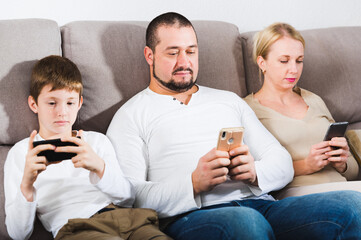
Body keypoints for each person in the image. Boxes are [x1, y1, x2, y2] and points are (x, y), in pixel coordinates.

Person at [106, 12, 361, 240]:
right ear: (149, 55)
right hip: (191, 215)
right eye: (173, 53)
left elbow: (281, 162)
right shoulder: (130, 115)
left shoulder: (227, 100)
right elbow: (130, 195)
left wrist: (254, 172)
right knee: (246, 223)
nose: (184, 62)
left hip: (262, 205)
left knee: (352, 206)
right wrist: (193, 183)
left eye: (191, 51)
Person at [4, 55, 170, 240]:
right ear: (34, 104)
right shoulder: (20, 153)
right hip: (76, 227)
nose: (62, 112)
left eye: (70, 103)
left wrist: (99, 168)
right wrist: (27, 185)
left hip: (125, 220)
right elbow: (18, 234)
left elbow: (128, 199)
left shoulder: (97, 141)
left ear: (79, 104)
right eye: (52, 103)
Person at [244, 22, 361, 199]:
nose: (294, 69)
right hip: (299, 197)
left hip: (346, 189)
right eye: (284, 61)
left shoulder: (314, 100)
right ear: (262, 62)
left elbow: (352, 173)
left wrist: (343, 163)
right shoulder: (247, 108)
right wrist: (306, 165)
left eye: (299, 61)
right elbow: (252, 175)